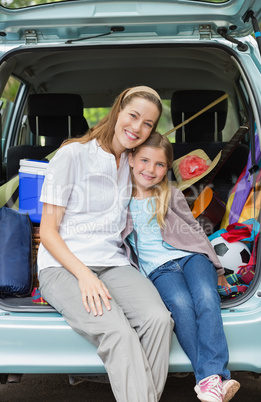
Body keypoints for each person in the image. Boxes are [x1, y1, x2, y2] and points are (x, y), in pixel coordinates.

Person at [37, 87, 174, 402]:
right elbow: (47, 232)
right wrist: (85, 276)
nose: (138, 128)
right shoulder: (72, 154)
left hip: (113, 262)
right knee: (119, 334)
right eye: (133, 116)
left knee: (158, 320)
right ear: (118, 110)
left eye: (148, 124)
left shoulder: (134, 162)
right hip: (63, 266)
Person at [122, 132, 240, 402]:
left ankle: (210, 377)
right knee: (181, 306)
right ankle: (213, 382)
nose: (151, 170)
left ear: (167, 168)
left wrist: (219, 269)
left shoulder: (170, 194)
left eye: (160, 164)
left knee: (207, 298)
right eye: (144, 160)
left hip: (192, 257)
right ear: (130, 159)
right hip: (159, 270)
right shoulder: (120, 199)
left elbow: (196, 232)